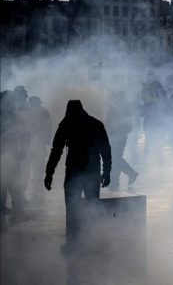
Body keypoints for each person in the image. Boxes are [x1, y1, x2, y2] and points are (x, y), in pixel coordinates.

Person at [44, 100, 112, 249]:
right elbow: (105, 150)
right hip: (92, 170)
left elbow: (56, 151)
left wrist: (49, 173)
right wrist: (107, 171)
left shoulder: (66, 124)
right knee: (93, 205)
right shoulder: (95, 124)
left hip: (74, 171)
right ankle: (95, 239)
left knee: (72, 206)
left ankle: (74, 241)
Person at [1, 90, 30, 215]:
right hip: (9, 155)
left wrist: (23, 151)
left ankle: (17, 209)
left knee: (14, 184)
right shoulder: (14, 116)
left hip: (13, 155)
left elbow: (25, 135)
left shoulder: (16, 117)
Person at [105, 92, 138, 191]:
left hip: (116, 137)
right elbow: (130, 126)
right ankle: (114, 182)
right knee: (116, 158)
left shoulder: (115, 108)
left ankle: (130, 173)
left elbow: (108, 123)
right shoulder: (126, 108)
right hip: (121, 136)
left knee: (115, 158)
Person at [24, 96, 52, 204]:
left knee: (36, 173)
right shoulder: (40, 112)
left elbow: (47, 128)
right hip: (30, 146)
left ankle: (36, 196)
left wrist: (44, 139)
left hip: (35, 146)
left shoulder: (42, 112)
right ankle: (33, 196)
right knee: (32, 173)